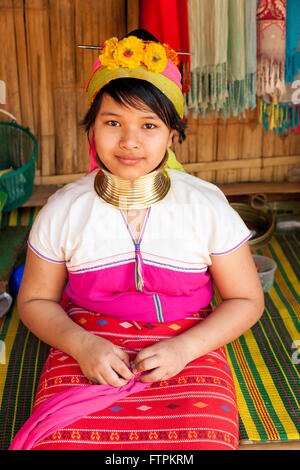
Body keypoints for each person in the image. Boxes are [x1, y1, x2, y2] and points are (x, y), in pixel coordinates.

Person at [15, 29, 264, 450]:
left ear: (171, 135)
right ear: (92, 128)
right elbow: (35, 301)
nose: (129, 141)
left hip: (189, 342)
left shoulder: (206, 206)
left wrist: (183, 350)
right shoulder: (62, 210)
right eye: (113, 122)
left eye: (149, 125)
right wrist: (83, 345)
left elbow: (246, 300)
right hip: (86, 341)